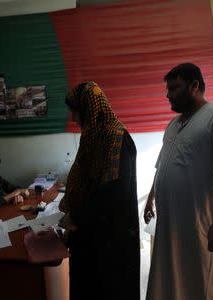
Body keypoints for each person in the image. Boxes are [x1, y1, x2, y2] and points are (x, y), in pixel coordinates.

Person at [144, 63, 213, 300]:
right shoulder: (174, 124)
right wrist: (150, 200)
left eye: (174, 88)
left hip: (199, 223)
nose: (168, 94)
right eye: (167, 89)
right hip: (169, 222)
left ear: (195, 86)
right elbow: (162, 166)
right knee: (168, 280)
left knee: (200, 282)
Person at [58, 81, 140, 300]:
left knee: (107, 288)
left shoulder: (115, 139)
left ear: (89, 109)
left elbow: (114, 195)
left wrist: (75, 216)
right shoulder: (94, 136)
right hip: (89, 231)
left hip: (109, 237)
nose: (74, 118)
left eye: (76, 111)